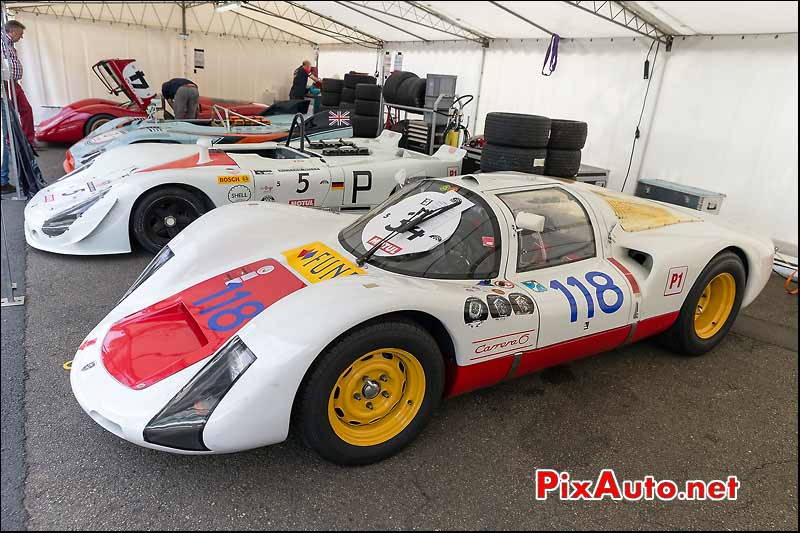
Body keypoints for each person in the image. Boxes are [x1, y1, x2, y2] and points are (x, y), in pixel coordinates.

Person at [1, 20, 35, 146]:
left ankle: (26, 140)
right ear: (13, 31)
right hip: (6, 82)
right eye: (20, 34)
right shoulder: (2, 41)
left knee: (24, 109)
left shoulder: (8, 43)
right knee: (10, 112)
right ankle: (12, 142)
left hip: (12, 82)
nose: (21, 36)